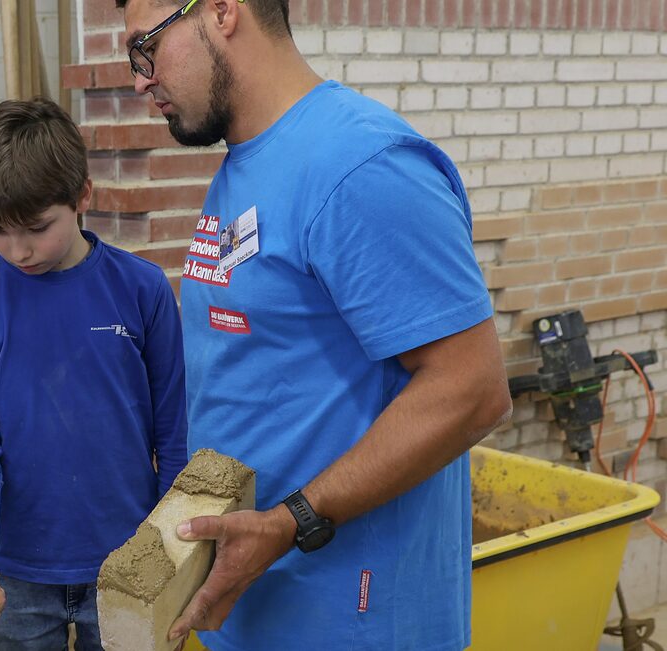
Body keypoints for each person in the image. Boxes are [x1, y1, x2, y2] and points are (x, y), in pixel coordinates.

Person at [116, 0, 513, 649]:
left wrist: (291, 519)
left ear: (220, 11)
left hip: (348, 616)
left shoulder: (362, 167)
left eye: (146, 47)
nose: (139, 78)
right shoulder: (248, 161)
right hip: (254, 605)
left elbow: (471, 389)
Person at [0, 97, 188, 649]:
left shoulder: (142, 290)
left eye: (35, 228)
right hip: (16, 574)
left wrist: (174, 553)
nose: (19, 251)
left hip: (132, 561)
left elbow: (173, 440)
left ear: (82, 197)